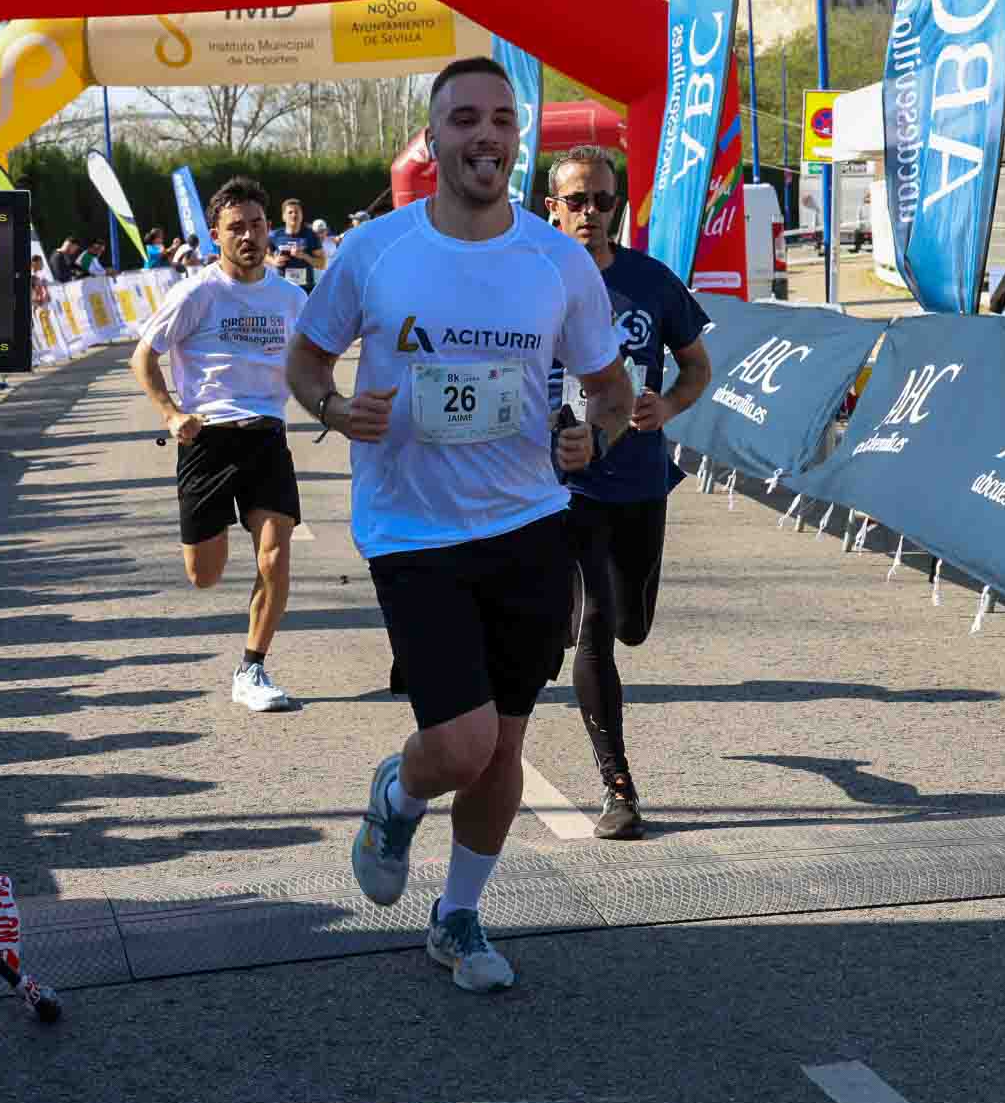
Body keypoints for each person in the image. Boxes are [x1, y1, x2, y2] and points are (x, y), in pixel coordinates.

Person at [288, 55, 632, 993]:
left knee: (505, 747)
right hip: (412, 530)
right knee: (460, 745)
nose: (486, 136)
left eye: (502, 121)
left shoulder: (557, 260)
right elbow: (307, 362)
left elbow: (609, 390)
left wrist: (593, 438)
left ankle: (459, 917)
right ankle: (397, 796)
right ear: (433, 138)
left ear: (517, 140)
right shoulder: (376, 251)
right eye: (465, 119)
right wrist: (334, 409)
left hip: (530, 524)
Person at [543, 146, 713, 840]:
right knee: (593, 627)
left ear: (618, 206)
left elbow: (697, 366)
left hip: (640, 478)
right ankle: (619, 788)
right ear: (552, 208)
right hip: (566, 485)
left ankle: (574, 604)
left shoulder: (650, 281)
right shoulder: (531, 281)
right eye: (576, 200)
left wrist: (667, 406)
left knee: (630, 625)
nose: (590, 212)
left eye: (602, 200)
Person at [131, 176, 311, 714]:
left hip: (266, 437)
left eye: (257, 225)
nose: (249, 236)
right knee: (204, 574)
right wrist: (172, 414)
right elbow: (143, 357)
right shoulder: (196, 294)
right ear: (216, 236)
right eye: (236, 228)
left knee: (275, 555)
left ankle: (252, 667)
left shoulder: (290, 297)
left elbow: (314, 358)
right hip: (206, 440)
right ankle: (216, 533)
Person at [268, 198, 327, 291]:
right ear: (283, 217)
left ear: (302, 215)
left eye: (297, 212)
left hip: (305, 289)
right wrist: (274, 261)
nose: (294, 215)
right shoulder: (275, 235)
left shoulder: (311, 236)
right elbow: (264, 255)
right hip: (282, 288)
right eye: (290, 212)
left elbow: (322, 264)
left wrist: (304, 256)